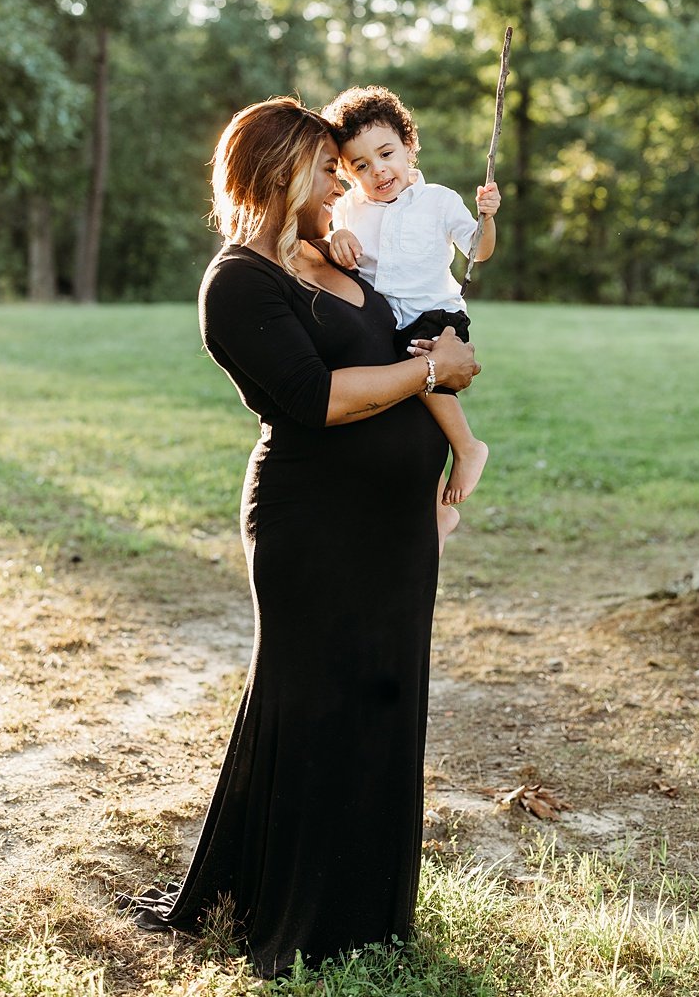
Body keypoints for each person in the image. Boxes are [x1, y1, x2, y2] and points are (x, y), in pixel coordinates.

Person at [117, 97, 479, 979]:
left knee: (387, 695)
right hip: (312, 524)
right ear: (282, 174)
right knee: (314, 700)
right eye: (326, 169)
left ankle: (370, 908)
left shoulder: (331, 252)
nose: (342, 182)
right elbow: (322, 399)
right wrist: (431, 370)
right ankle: (299, 912)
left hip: (393, 522)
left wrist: (450, 447)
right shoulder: (237, 283)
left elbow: (407, 324)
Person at [322, 86, 499, 545]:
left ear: (407, 146)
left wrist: (488, 217)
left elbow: (477, 250)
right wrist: (335, 237)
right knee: (403, 418)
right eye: (360, 165)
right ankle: (437, 512)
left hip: (435, 318)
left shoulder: (438, 200)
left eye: (386, 154)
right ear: (345, 171)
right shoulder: (345, 210)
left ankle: (468, 445)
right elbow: (325, 243)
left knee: (421, 369)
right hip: (384, 323)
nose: (378, 170)